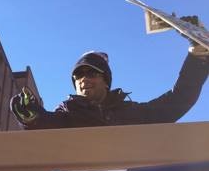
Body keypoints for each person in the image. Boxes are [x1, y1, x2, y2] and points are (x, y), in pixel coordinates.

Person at [11, 29, 209, 130]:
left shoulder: (132, 113)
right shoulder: (68, 112)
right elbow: (48, 124)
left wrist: (197, 56)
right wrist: (31, 117)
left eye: (91, 73)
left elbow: (177, 101)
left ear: (105, 81)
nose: (83, 79)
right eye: (78, 75)